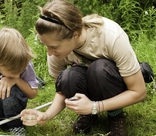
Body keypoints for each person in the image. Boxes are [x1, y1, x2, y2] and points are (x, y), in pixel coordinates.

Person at [20, 0, 146, 136]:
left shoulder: (111, 37)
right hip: (89, 84)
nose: (49, 53)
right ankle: (87, 115)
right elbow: (62, 90)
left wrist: (95, 107)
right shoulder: (55, 51)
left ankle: (115, 115)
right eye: (46, 45)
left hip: (111, 81)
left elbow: (138, 92)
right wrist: (47, 115)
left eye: (54, 47)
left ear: (75, 35)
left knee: (99, 69)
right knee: (68, 77)